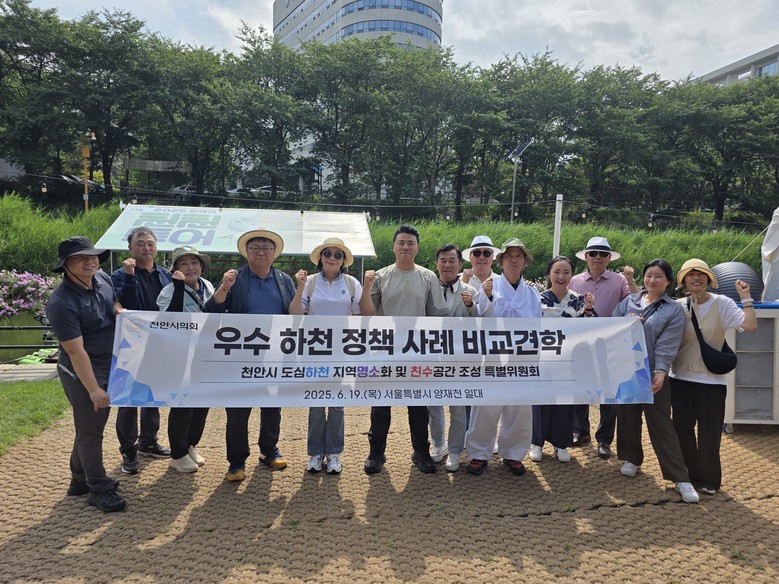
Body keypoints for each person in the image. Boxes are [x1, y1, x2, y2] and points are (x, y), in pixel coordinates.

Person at [205, 229, 295, 482]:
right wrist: (224, 287)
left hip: (274, 354)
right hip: (240, 356)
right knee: (237, 410)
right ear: (246, 252)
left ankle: (269, 450)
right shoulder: (234, 278)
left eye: (267, 247)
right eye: (255, 247)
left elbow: (294, 313)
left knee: (272, 406)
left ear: (275, 253)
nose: (261, 252)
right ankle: (236, 461)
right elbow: (212, 309)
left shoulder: (284, 280)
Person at [360, 224, 449, 474]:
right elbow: (367, 312)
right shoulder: (380, 276)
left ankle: (421, 451)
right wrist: (366, 286)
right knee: (380, 406)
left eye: (411, 243)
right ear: (394, 247)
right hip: (384, 350)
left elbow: (438, 315)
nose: (406, 247)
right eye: (401, 242)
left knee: (418, 406)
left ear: (417, 248)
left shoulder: (428, 277)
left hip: (417, 351)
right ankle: (376, 453)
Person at [47, 237, 127, 512]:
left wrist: (118, 310)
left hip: (109, 362)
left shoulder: (102, 278)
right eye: (81, 258)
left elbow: (113, 300)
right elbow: (76, 351)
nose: (90, 261)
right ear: (66, 265)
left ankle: (79, 480)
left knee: (88, 426)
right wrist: (93, 389)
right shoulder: (61, 302)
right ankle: (99, 488)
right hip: (80, 368)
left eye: (92, 256)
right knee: (92, 430)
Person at [613, 259, 699, 504]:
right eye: (649, 275)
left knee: (661, 423)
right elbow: (610, 327)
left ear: (668, 281)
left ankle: (680, 477)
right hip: (626, 371)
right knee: (627, 416)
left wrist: (661, 371)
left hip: (652, 372)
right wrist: (625, 325)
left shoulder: (672, 310)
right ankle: (632, 458)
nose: (652, 280)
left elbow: (667, 345)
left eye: (659, 276)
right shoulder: (629, 302)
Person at [669, 259, 757, 495]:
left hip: (711, 381)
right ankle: (687, 477)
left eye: (701, 274)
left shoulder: (722, 303)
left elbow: (750, 325)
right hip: (680, 377)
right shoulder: (677, 306)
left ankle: (709, 480)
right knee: (682, 430)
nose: (696, 278)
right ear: (683, 281)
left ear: (709, 279)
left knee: (710, 432)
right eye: (690, 275)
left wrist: (746, 297)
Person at [465, 238, 541, 477]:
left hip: (522, 357)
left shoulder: (532, 292)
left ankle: (513, 453)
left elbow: (538, 325)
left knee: (519, 408)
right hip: (493, 356)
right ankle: (479, 453)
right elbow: (479, 319)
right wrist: (487, 297)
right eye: (509, 256)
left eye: (519, 256)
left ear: (525, 262)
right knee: (486, 406)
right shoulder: (489, 286)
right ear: (501, 261)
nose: (514, 260)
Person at [289, 237, 363, 475]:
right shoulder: (309, 282)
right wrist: (299, 287)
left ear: (343, 260)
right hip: (314, 351)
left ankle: (333, 453)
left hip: (341, 352)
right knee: (316, 405)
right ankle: (315, 453)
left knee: (337, 405)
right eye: (327, 253)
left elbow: (360, 317)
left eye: (337, 255)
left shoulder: (352, 284)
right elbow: (295, 314)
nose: (332, 258)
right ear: (320, 258)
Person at [569, 236, 638, 459]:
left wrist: (631, 280)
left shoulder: (620, 281)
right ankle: (580, 431)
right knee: (580, 387)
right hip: (581, 343)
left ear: (609, 258)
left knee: (609, 393)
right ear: (586, 257)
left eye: (602, 254)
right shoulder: (575, 280)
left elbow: (636, 302)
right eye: (593, 253)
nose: (597, 257)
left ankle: (604, 440)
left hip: (612, 343)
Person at [111, 226, 172, 474]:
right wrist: (129, 275)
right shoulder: (118, 275)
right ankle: (128, 450)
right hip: (130, 345)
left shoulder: (166, 275)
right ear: (130, 247)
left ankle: (148, 441)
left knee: (152, 394)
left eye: (150, 243)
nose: (146, 247)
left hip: (159, 345)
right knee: (128, 399)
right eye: (140, 243)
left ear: (156, 247)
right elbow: (124, 304)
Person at [156, 246, 220, 473]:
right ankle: (178, 454)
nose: (190, 267)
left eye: (194, 262)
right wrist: (177, 288)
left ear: (201, 266)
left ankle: (190, 445)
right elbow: (169, 320)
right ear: (175, 268)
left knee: (201, 402)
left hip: (205, 353)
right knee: (182, 404)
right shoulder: (167, 291)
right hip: (179, 354)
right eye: (183, 263)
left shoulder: (208, 286)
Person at [530, 256, 596, 464]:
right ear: (548, 274)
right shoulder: (537, 299)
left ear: (572, 275)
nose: (561, 276)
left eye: (566, 272)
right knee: (541, 401)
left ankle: (561, 444)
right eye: (556, 272)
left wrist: (588, 309)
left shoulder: (579, 300)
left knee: (565, 403)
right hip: (542, 359)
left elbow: (591, 329)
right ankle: (536, 443)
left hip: (569, 361)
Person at [427, 243, 478, 472]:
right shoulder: (428, 288)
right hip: (433, 356)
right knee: (433, 404)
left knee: (458, 406)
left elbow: (479, 324)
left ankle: (456, 450)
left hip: (460, 358)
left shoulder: (471, 291)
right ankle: (439, 445)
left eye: (452, 260)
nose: (447, 265)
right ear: (436, 264)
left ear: (459, 264)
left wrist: (470, 306)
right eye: (443, 260)